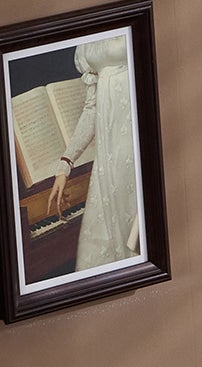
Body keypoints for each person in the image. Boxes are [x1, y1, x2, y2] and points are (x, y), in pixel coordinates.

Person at [44, 35, 140, 271]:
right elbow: (91, 109)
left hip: (136, 147)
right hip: (108, 159)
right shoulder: (85, 45)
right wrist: (65, 164)